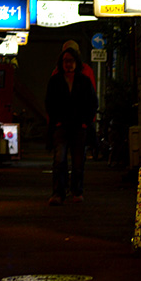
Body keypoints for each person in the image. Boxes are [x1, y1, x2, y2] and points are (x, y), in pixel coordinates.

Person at [45, 45, 98, 205]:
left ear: (77, 62)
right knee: (59, 159)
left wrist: (85, 122)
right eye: (65, 61)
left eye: (71, 61)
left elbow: (92, 103)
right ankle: (58, 192)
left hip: (78, 127)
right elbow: (49, 102)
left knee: (78, 161)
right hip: (61, 126)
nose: (68, 64)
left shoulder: (84, 81)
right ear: (61, 63)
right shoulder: (55, 81)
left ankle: (76, 191)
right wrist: (56, 121)